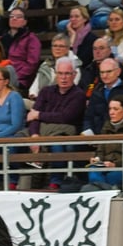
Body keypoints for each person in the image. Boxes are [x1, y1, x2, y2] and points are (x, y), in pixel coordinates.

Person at [25, 57, 86, 189]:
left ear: (74, 75)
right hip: (42, 131)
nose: (63, 78)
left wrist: (40, 115)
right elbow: (32, 117)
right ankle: (11, 182)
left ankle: (55, 182)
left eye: (67, 74)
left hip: (64, 134)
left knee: (56, 145)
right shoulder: (46, 91)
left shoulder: (79, 94)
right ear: (55, 74)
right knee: (16, 142)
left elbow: (65, 117)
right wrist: (34, 135)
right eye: (60, 73)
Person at [86, 94, 123, 189]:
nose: (111, 112)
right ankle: (106, 189)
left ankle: (101, 188)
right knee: (93, 169)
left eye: (115, 109)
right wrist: (97, 159)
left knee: (109, 177)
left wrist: (116, 164)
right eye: (110, 109)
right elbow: (100, 149)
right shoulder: (106, 126)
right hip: (105, 166)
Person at [82, 58, 123, 136]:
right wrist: (88, 132)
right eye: (102, 72)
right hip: (97, 136)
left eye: (109, 72)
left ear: (118, 72)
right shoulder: (96, 92)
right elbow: (88, 117)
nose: (104, 75)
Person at [0, 7, 41, 95]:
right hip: (1, 76)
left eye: (18, 17)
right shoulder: (2, 39)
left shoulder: (31, 38)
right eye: (12, 16)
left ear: (25, 21)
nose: (14, 18)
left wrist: (16, 76)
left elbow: (32, 63)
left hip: (21, 79)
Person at [29, 34, 79, 100]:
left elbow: (72, 87)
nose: (57, 49)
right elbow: (35, 85)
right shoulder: (45, 65)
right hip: (40, 100)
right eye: (55, 46)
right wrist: (33, 94)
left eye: (61, 46)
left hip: (61, 101)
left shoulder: (74, 65)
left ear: (68, 48)